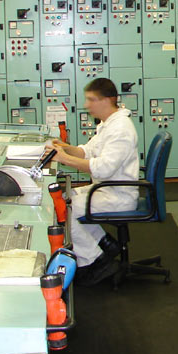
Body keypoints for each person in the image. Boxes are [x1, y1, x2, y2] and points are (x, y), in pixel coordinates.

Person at [44, 78, 138, 285]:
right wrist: (64, 147)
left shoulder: (120, 129)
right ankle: (105, 243)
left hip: (118, 195)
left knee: (62, 211)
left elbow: (103, 168)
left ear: (108, 100)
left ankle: (95, 261)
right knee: (64, 198)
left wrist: (63, 158)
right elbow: (86, 151)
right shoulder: (108, 125)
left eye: (92, 100)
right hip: (107, 189)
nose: (87, 105)